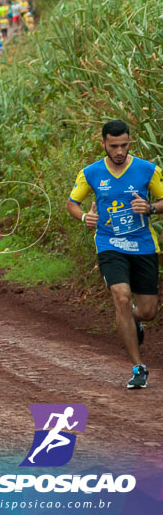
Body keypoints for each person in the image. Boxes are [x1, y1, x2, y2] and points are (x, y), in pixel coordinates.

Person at [66, 120, 163, 390]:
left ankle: (133, 318)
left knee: (148, 311)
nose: (119, 151)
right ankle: (138, 367)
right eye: (114, 146)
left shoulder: (148, 170)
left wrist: (151, 207)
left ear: (130, 142)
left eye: (124, 145)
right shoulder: (91, 173)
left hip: (143, 244)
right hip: (109, 243)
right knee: (120, 296)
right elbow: (71, 203)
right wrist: (85, 216)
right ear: (104, 144)